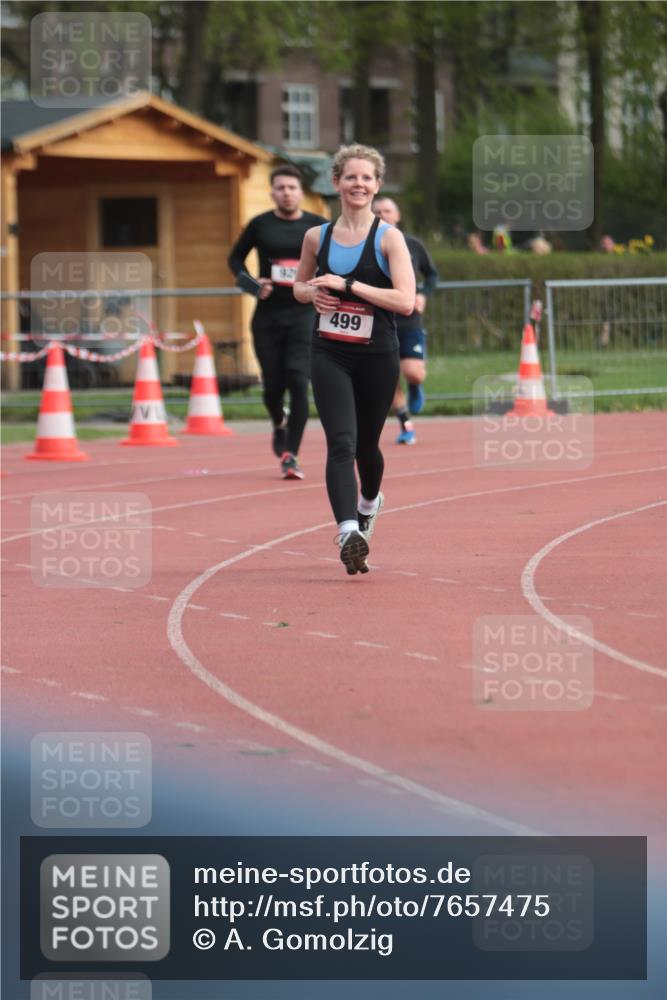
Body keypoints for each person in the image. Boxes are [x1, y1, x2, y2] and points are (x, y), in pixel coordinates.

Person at [293, 144, 415, 575]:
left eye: (367, 178)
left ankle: (368, 504)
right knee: (340, 442)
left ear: (377, 185)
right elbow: (299, 286)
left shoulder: (388, 237)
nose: (359, 185)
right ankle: (348, 533)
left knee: (367, 446)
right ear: (336, 183)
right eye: (351, 177)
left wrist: (348, 285)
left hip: (377, 353)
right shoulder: (316, 237)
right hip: (328, 350)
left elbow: (404, 300)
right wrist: (313, 292)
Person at [228, 165, 327, 479]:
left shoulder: (317, 226)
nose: (287, 192)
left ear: (301, 192)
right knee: (273, 385)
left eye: (292, 187)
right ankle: (277, 421)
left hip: (303, 313)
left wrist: (323, 284)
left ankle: (290, 454)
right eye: (281, 187)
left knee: (299, 382)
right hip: (268, 315)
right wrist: (253, 285)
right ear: (272, 192)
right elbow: (234, 260)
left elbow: (336, 259)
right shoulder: (260, 225)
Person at [372, 197, 439, 445]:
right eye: (377, 211)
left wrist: (423, 294)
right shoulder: (363, 245)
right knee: (388, 376)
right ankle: (405, 424)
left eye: (387, 210)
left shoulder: (412, 245)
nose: (382, 214)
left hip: (408, 319)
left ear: (397, 216)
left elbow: (432, 275)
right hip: (378, 320)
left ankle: (414, 386)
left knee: (412, 372)